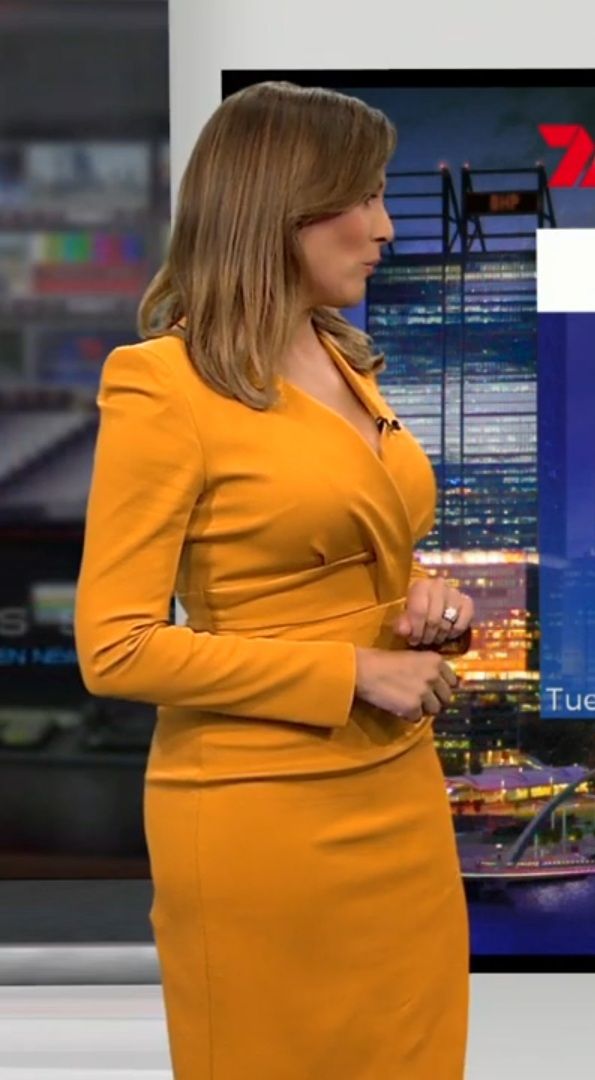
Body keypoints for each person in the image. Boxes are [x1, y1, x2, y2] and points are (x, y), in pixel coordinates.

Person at [74, 81, 474, 1080]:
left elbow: (346, 550)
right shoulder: (162, 384)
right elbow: (115, 648)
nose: (384, 227)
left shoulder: (345, 358)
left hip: (399, 796)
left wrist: (424, 600)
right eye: (364, 197)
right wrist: (352, 672)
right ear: (282, 206)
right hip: (260, 813)